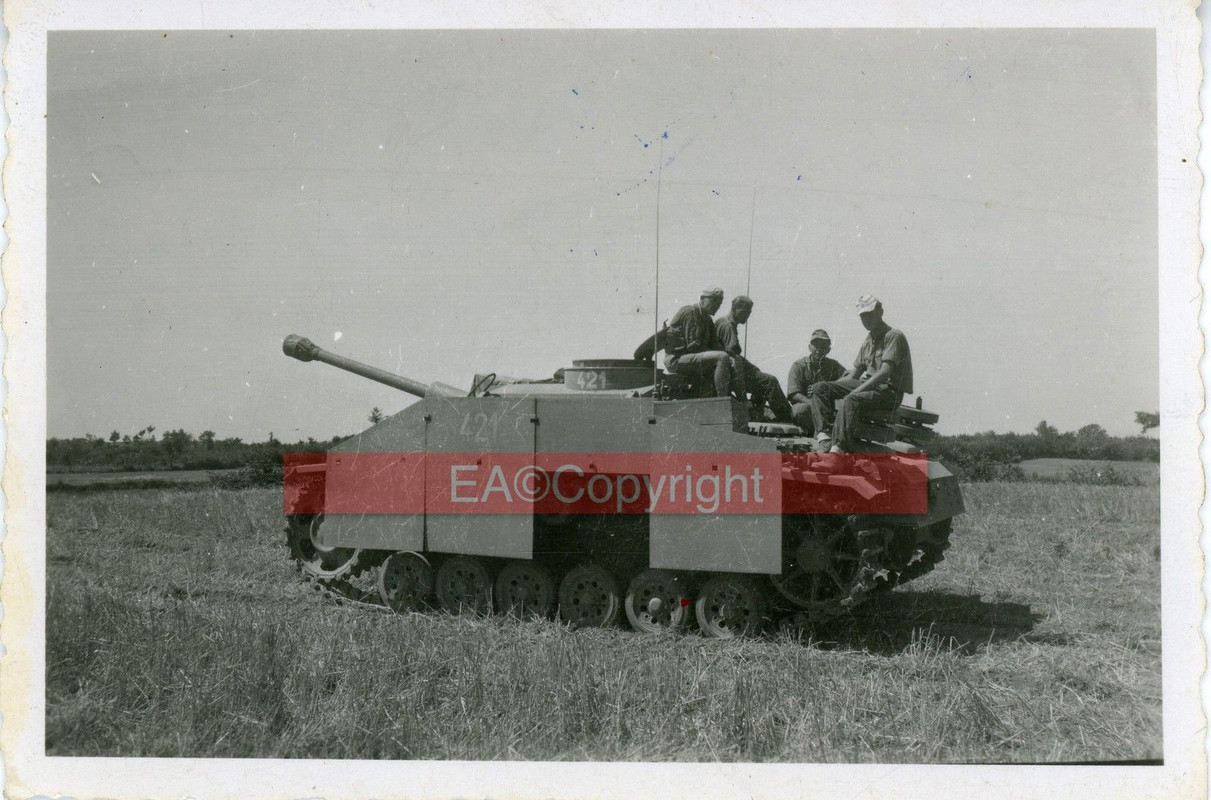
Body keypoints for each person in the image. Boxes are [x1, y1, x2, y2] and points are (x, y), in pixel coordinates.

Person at [809, 295, 913, 452]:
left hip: (889, 392)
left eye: (870, 314)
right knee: (820, 388)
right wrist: (830, 388)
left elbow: (884, 373)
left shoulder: (893, 336)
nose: (866, 319)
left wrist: (855, 391)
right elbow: (854, 375)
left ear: (880, 312)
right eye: (863, 316)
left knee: (851, 399)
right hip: (870, 387)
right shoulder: (869, 340)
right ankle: (824, 438)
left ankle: (838, 451)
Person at [713, 296, 794, 422]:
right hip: (731, 371)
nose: (747, 316)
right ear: (735, 308)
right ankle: (787, 417)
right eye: (745, 312)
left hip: (725, 369)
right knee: (769, 381)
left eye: (749, 313)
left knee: (759, 376)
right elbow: (733, 353)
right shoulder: (728, 326)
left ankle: (756, 414)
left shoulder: (721, 321)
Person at [663, 287, 738, 398]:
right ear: (702, 299)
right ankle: (722, 400)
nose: (717, 306)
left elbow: (715, 343)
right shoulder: (690, 312)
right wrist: (723, 355)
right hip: (676, 359)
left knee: (732, 359)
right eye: (714, 301)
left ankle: (741, 401)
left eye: (720, 303)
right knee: (722, 357)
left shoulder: (707, 319)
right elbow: (693, 346)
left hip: (691, 358)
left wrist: (731, 357)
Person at [787, 329, 846, 434]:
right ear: (809, 347)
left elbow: (849, 377)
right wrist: (815, 404)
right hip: (807, 407)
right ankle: (820, 430)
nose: (819, 349)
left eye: (823, 346)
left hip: (827, 410)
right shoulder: (799, 365)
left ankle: (825, 431)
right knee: (801, 410)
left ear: (828, 350)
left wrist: (828, 386)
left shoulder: (833, 365)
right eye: (816, 345)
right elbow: (794, 394)